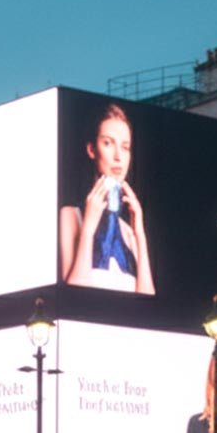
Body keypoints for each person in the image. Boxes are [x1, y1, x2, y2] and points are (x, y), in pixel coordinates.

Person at [59, 102, 154, 295]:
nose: (118, 156)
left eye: (125, 147)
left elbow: (148, 301)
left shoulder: (129, 232)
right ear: (92, 150)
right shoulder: (71, 215)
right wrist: (88, 228)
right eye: (108, 143)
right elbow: (74, 294)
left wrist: (140, 233)